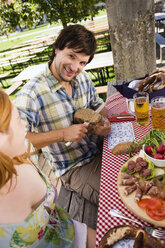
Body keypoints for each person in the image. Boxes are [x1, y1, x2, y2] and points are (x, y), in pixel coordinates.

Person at [14, 24, 111, 205]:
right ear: (57, 49)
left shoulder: (82, 78)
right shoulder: (31, 94)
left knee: (141, 167)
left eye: (82, 62)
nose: (75, 68)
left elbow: (96, 104)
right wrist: (62, 134)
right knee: (119, 196)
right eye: (71, 56)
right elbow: (17, 143)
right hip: (74, 167)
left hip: (100, 147)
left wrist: (103, 122)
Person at [0, 88, 96, 248]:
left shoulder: (19, 151)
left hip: (68, 230)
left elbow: (33, 142)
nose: (24, 124)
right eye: (17, 119)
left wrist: (64, 133)